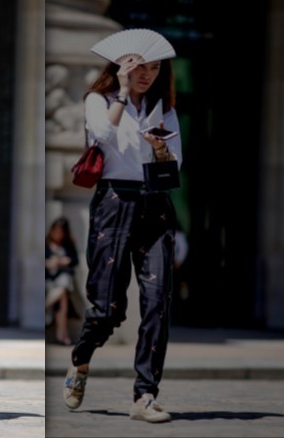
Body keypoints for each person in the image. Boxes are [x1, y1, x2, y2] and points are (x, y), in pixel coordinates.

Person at [63, 29, 182, 424]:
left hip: (156, 204)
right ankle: (81, 359)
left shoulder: (163, 108)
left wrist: (161, 148)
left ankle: (145, 395)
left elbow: (175, 165)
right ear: (122, 65)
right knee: (108, 307)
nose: (146, 74)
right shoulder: (99, 99)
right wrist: (123, 90)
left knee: (157, 302)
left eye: (153, 68)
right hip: (115, 201)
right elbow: (100, 136)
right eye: (139, 67)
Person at [45, 217, 79, 346]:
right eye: (55, 231)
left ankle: (45, 306)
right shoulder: (46, 244)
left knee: (63, 290)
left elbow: (75, 260)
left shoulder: (68, 245)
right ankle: (62, 334)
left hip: (63, 280)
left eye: (60, 232)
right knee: (62, 297)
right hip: (49, 281)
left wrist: (63, 261)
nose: (57, 235)